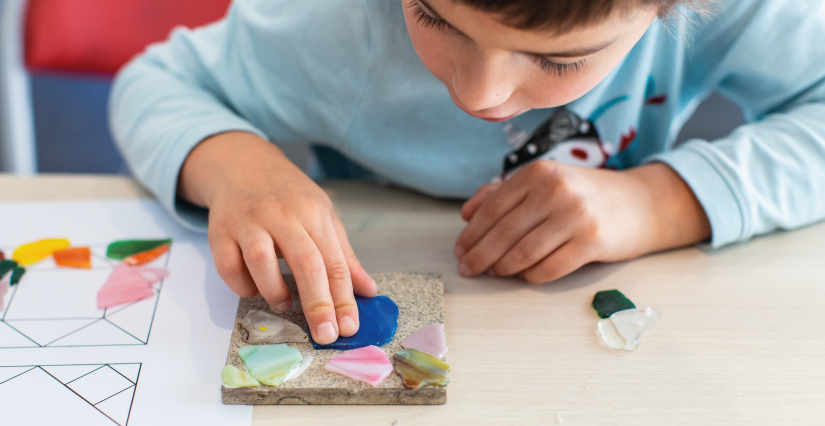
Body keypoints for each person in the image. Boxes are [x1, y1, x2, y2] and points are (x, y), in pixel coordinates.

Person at [110, 0, 825, 345]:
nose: (477, 94)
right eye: (433, 16)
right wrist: (235, 163)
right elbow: (155, 82)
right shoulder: (333, 21)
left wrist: (662, 202)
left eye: (559, 61)